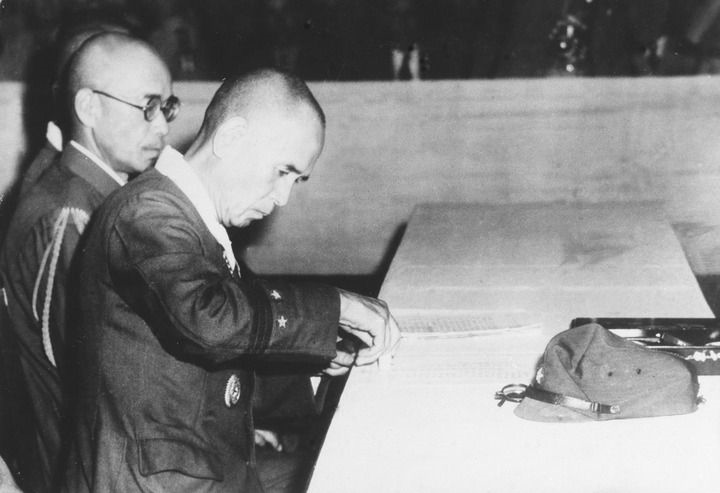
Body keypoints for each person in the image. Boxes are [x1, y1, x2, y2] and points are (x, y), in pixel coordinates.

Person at [61, 68, 400, 493]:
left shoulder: (194, 219)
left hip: (200, 469)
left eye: (296, 180)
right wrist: (338, 306)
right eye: (282, 171)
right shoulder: (147, 212)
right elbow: (210, 321)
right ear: (231, 138)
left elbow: (219, 372)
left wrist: (319, 364)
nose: (283, 198)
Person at [0, 32, 176, 492]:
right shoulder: (70, 216)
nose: (162, 127)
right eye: (148, 106)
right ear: (89, 108)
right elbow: (103, 382)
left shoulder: (97, 195)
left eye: (167, 107)